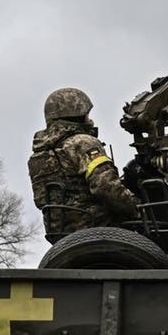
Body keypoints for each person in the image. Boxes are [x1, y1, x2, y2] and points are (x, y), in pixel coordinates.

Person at [28, 87, 140, 242]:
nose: (90, 119)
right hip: (98, 227)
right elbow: (105, 186)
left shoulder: (39, 155)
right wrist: (138, 208)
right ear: (78, 115)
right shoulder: (82, 142)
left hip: (61, 235)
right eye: (87, 114)